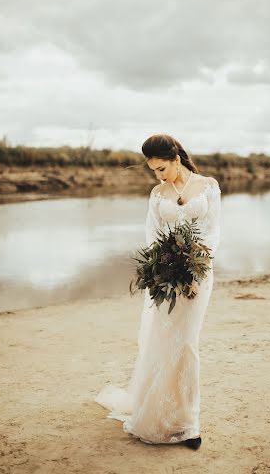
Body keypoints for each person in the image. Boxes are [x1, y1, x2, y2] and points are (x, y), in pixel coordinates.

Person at [94, 134, 221, 449]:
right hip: (165, 278)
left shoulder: (207, 186)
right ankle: (156, 414)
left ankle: (187, 425)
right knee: (162, 343)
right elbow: (152, 233)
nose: (159, 176)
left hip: (198, 275)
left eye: (162, 169)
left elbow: (212, 231)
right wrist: (158, 267)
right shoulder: (157, 194)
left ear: (176, 159)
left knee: (187, 345)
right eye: (153, 171)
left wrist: (195, 266)